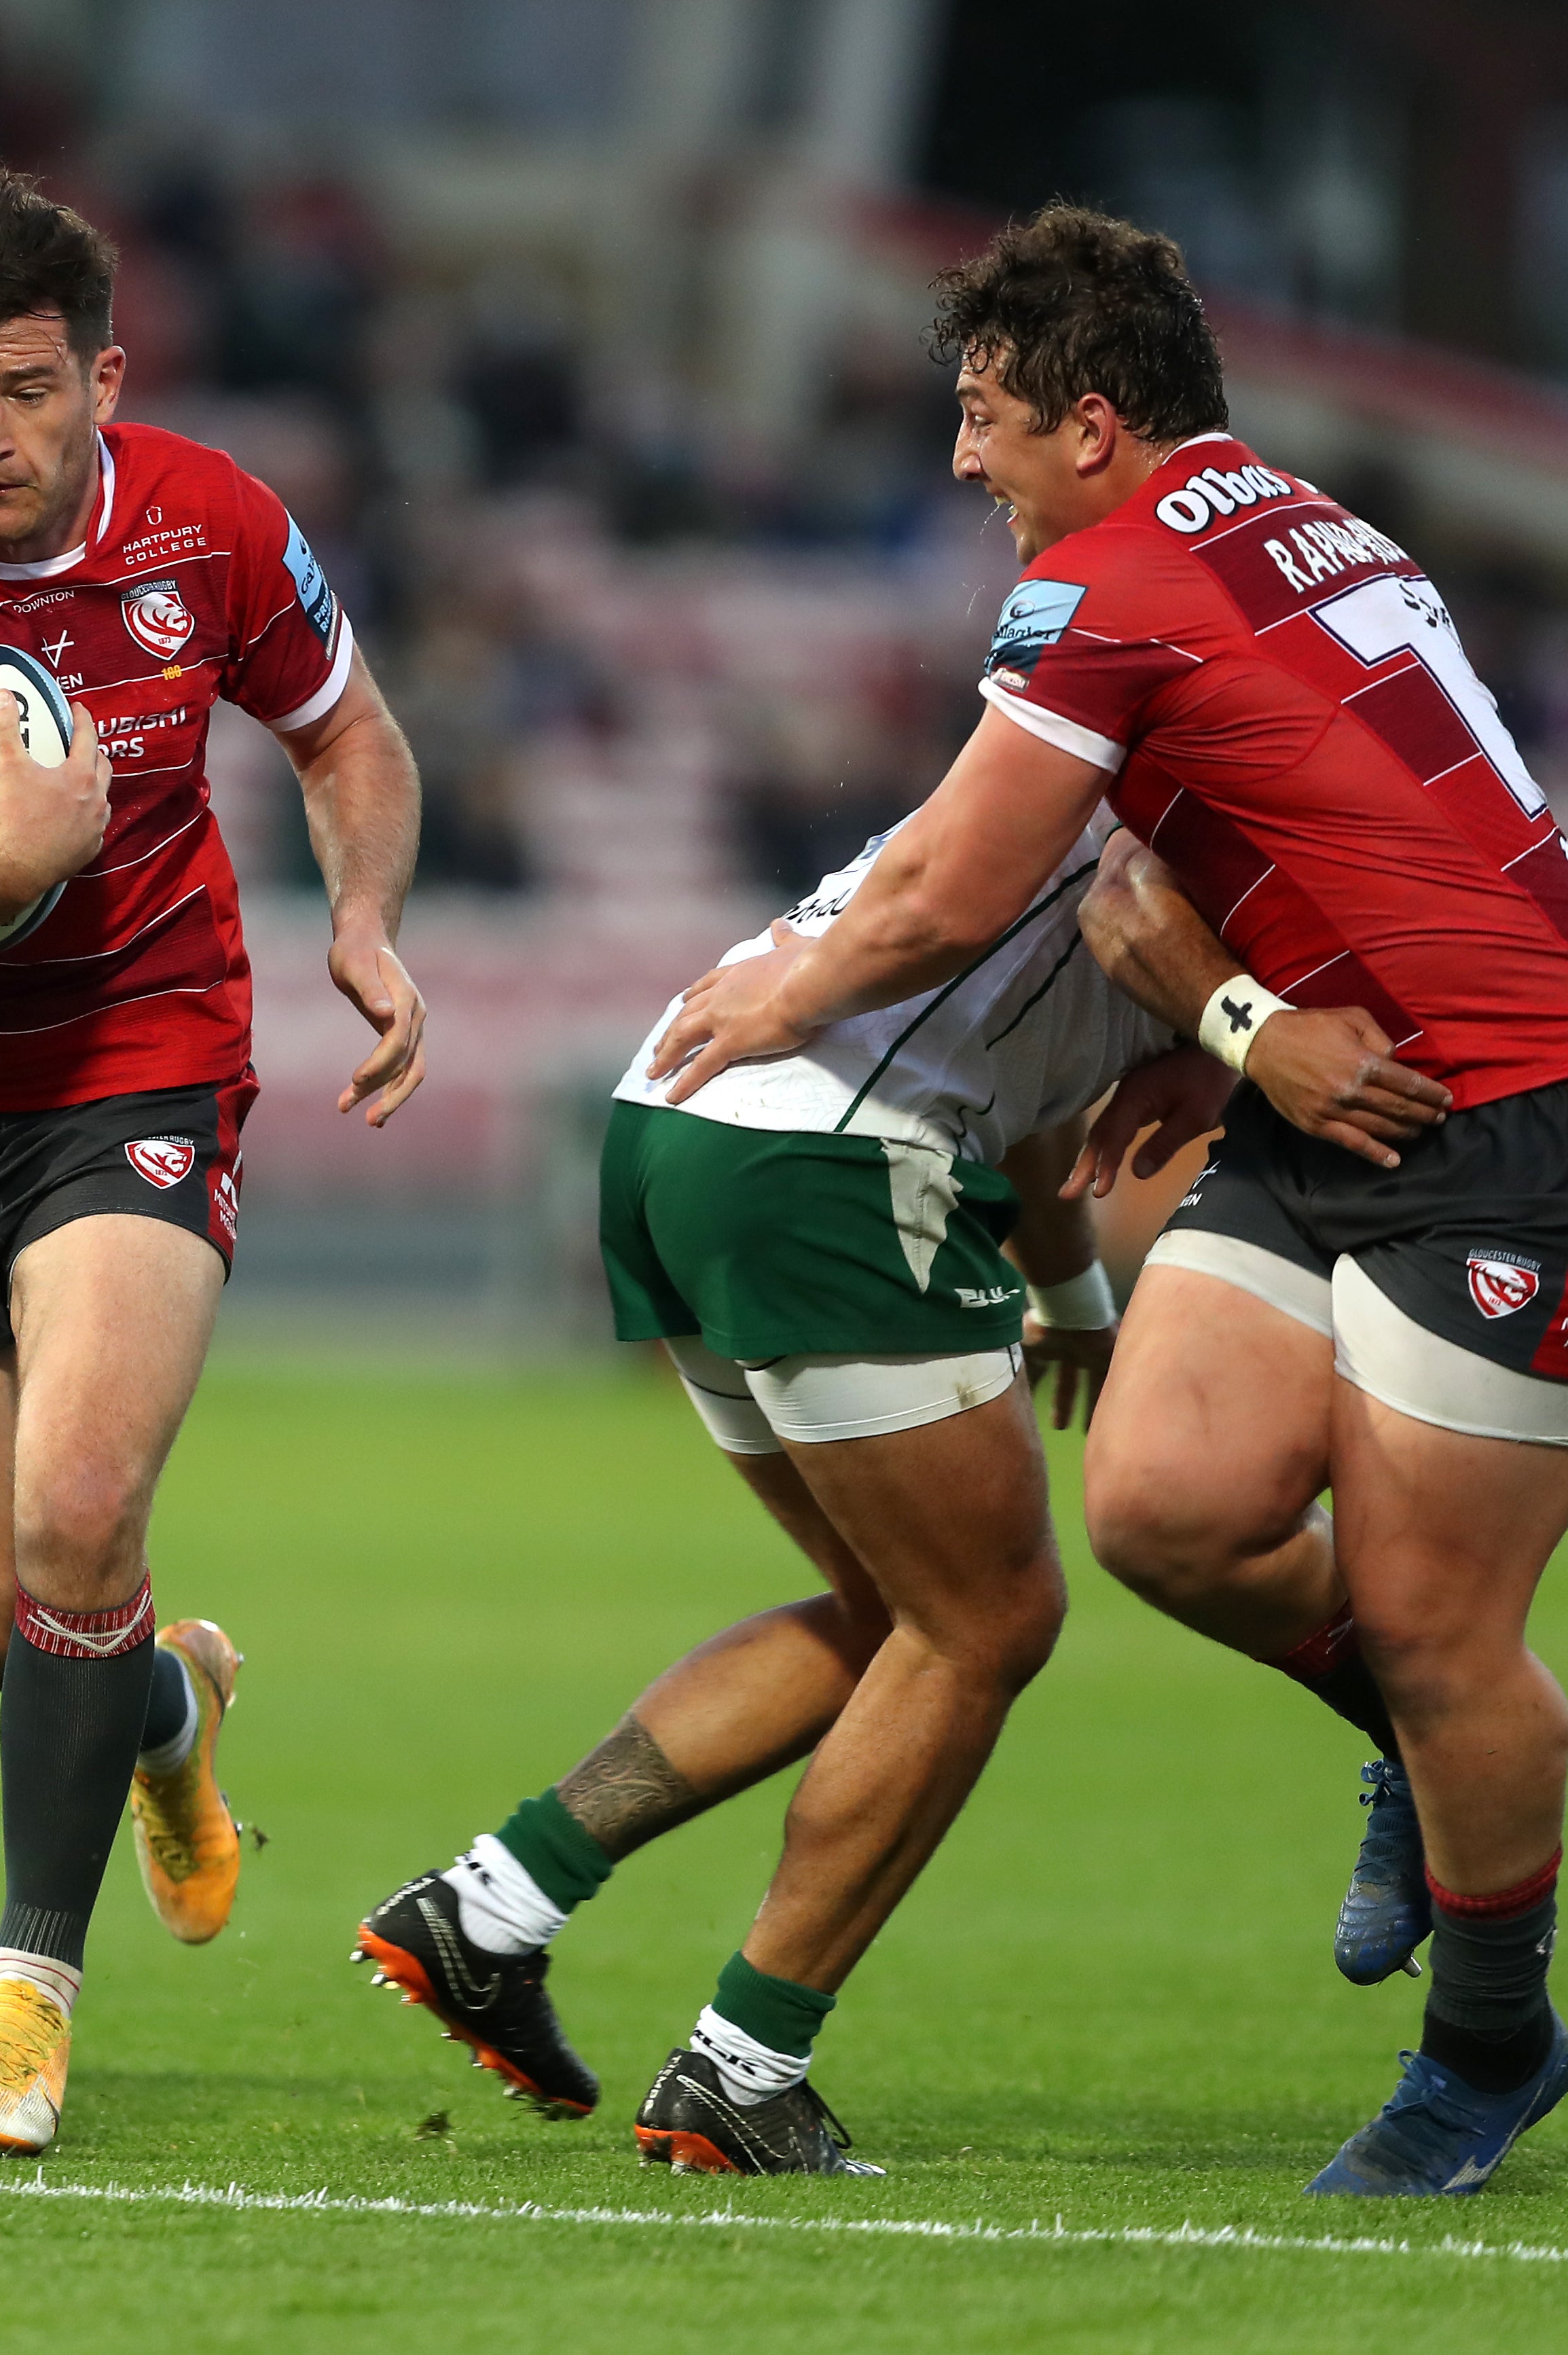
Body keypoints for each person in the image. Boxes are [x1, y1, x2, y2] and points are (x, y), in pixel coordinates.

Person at [651, 205, 1568, 2198]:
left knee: (1437, 1617)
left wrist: (775, 990)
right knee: (1165, 1505)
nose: (965, 465)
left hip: (1542, 1111)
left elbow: (968, 891)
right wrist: (1241, 1024)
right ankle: (1407, 1741)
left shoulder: (1111, 586)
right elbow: (1189, 894)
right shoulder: (1307, 526)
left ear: (1099, 423)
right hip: (1336, 1094)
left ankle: (1488, 2047)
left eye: (988, 421)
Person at [0, 166, 429, 2155]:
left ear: (105, 376)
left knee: (78, 1508)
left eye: (27, 390)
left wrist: (363, 915)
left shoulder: (213, 525)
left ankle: (26, 1997)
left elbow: (353, 733)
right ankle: (171, 1712)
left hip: (143, 1061)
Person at [358, 813, 1167, 2174]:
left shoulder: (1064, 791)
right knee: (985, 1623)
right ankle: (744, 2066)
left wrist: (1076, 1297)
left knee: (893, 1615)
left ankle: (490, 1910)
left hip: (680, 1118)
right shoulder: (1185, 813)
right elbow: (1142, 911)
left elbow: (1030, 1114)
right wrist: (1259, 1033)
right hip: (827, 1159)